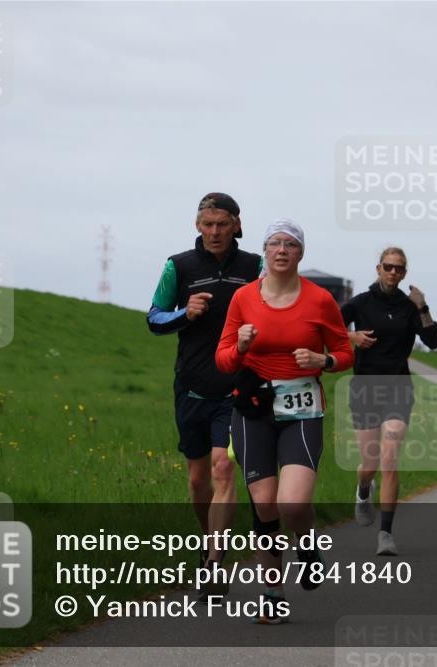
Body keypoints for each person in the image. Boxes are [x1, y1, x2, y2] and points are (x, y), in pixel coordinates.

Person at [216, 219, 353, 624]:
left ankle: (306, 544)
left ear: (300, 253)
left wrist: (323, 360)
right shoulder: (243, 297)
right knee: (264, 504)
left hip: (302, 410)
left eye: (290, 244)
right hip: (254, 408)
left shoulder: (320, 300)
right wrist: (241, 347)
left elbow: (346, 353)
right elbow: (223, 360)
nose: (281, 250)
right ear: (264, 250)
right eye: (274, 243)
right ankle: (272, 594)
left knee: (292, 502)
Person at [146, 192, 260, 596]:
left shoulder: (254, 266)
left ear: (236, 225)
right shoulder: (178, 266)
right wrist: (185, 312)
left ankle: (214, 561)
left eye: (222, 224)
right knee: (198, 481)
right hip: (192, 387)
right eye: (208, 224)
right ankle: (208, 541)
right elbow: (154, 318)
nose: (214, 232)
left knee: (223, 468)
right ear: (197, 226)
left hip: (236, 386)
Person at [341, 247, 437, 556]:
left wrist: (422, 306)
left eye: (399, 268)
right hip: (365, 388)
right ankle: (363, 488)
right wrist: (352, 338)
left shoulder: (409, 307)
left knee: (390, 458)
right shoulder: (360, 302)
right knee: (369, 463)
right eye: (388, 266)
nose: (393, 272)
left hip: (398, 387)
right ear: (378, 268)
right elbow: (327, 328)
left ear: (405, 273)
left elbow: (433, 341)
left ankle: (385, 533)